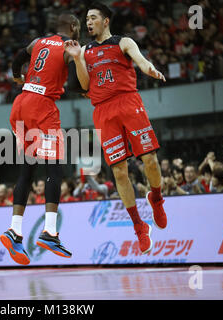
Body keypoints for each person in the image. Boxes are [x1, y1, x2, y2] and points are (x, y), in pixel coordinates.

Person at [64, 2, 167, 254]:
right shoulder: (85, 50)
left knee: (150, 160)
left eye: (93, 18)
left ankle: (156, 197)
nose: (88, 22)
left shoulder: (124, 42)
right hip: (103, 111)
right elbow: (86, 86)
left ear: (105, 21)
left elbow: (142, 62)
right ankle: (139, 226)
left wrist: (150, 69)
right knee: (119, 172)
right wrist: (78, 59)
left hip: (129, 102)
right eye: (86, 19)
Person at [0, 12, 82, 265]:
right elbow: (81, 85)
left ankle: (15, 230)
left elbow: (17, 58)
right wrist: (79, 61)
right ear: (74, 27)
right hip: (42, 107)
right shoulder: (70, 47)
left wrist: (17, 76)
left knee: (27, 169)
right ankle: (49, 232)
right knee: (55, 168)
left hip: (21, 103)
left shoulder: (38, 42)